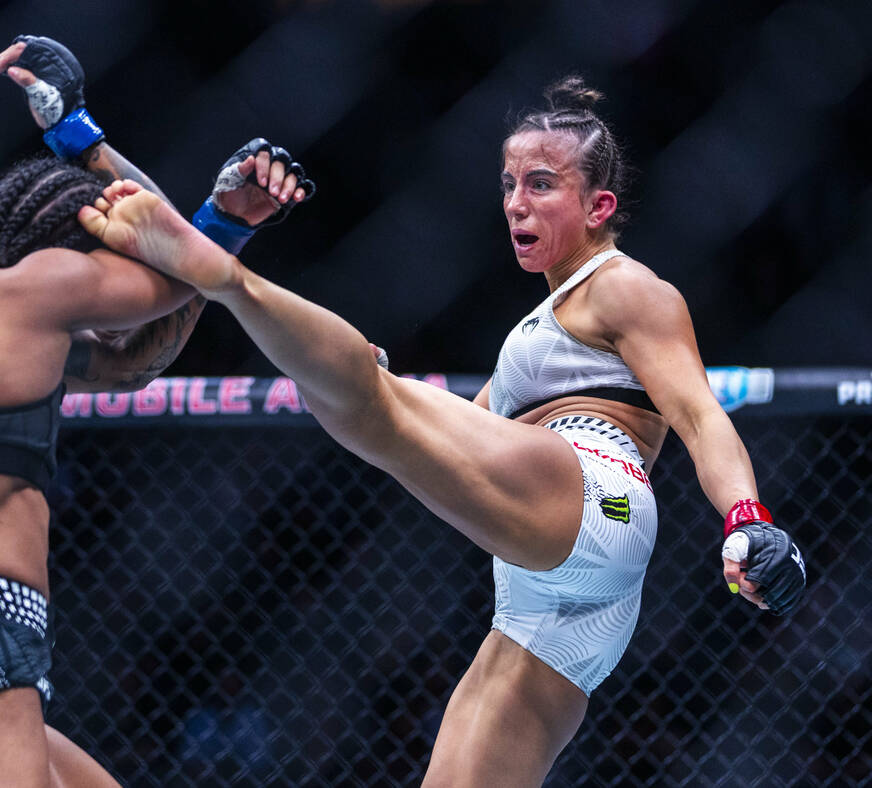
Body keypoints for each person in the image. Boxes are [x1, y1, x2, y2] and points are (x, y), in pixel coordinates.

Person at [73, 76, 808, 786]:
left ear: (598, 205)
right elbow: (466, 432)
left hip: (596, 497)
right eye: (508, 184)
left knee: (362, 399)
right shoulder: (543, 325)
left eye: (542, 185)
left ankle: (220, 268)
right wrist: (377, 386)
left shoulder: (624, 286)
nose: (516, 203)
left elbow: (700, 414)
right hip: (558, 600)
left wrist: (747, 517)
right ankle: (209, 251)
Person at [0, 35, 312, 787]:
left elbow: (137, 360)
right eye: (98, 243)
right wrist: (84, 139)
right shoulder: (35, 288)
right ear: (63, 241)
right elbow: (176, 262)